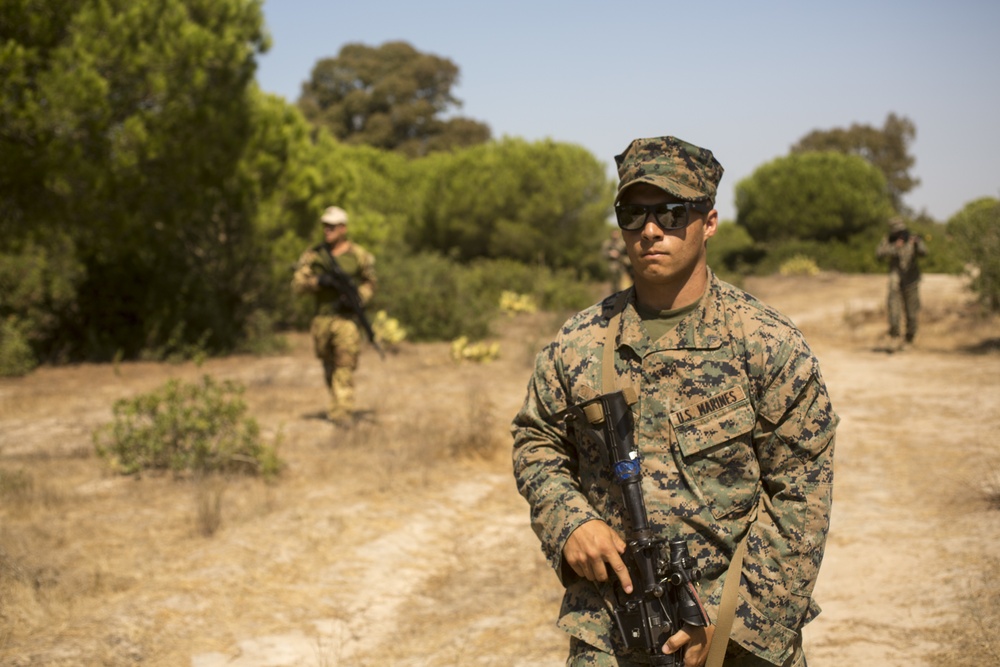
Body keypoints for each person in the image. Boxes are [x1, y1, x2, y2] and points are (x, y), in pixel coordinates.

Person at [511, 136, 837, 667]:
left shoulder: (766, 343)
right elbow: (536, 439)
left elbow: (800, 503)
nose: (651, 229)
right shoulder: (579, 342)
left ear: (708, 221)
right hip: (613, 634)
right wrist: (570, 521)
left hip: (736, 637)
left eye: (670, 211)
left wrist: (730, 624)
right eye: (632, 214)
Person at [292, 206, 377, 425]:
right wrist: (318, 282)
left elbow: (370, 282)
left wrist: (358, 298)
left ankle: (343, 413)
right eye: (325, 226)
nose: (327, 230)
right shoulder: (314, 255)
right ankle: (337, 402)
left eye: (332, 226)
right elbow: (298, 285)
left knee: (344, 364)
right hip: (322, 320)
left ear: (343, 228)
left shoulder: (358, 255)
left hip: (346, 320)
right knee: (329, 366)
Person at [876, 216, 928, 349]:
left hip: (911, 280)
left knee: (912, 311)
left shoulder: (912, 239)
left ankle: (910, 338)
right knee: (894, 309)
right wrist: (895, 247)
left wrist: (917, 243)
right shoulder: (889, 240)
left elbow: (924, 253)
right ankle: (895, 336)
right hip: (896, 279)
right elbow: (879, 254)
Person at [601, 228, 633, 292]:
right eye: (613, 234)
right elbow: (603, 254)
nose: (615, 235)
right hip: (612, 266)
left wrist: (620, 256)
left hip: (623, 266)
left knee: (624, 284)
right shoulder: (607, 243)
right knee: (614, 285)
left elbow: (629, 254)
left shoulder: (623, 243)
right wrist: (610, 254)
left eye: (616, 233)